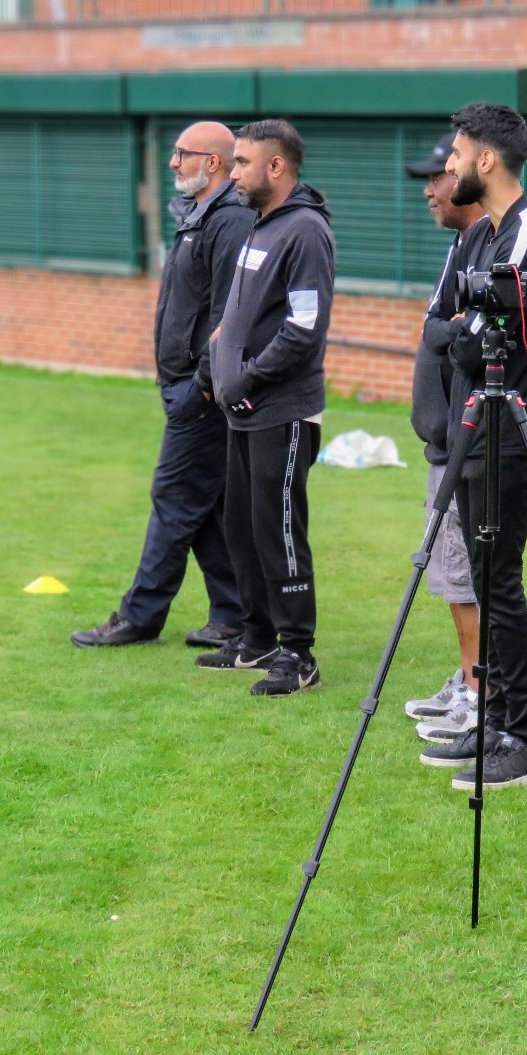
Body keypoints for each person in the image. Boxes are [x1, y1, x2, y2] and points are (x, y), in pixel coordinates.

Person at [415, 103, 527, 791]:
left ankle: (523, 737)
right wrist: (456, 330)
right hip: (474, 425)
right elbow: (446, 327)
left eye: (457, 155)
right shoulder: (486, 234)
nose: (447, 167)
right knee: (484, 579)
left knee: (500, 581)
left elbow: (473, 339)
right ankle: (494, 719)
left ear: (486, 159)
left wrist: (457, 331)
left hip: (507, 433)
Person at [71, 122, 251, 651]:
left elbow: (228, 315)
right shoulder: (202, 217)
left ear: (213, 162)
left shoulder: (231, 221)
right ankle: (233, 613)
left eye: (182, 154)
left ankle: (140, 614)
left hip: (202, 393)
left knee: (174, 496)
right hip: (186, 386)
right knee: (205, 505)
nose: (172, 163)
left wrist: (199, 386)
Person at [198, 119, 334, 698]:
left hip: (282, 409)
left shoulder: (304, 232)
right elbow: (241, 313)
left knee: (278, 531)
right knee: (243, 528)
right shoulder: (261, 227)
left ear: (275, 167)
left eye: (241, 164)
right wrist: (217, 369)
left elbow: (305, 328)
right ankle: (255, 638)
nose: (232, 175)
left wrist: (249, 377)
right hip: (242, 409)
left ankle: (297, 653)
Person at [399, 131, 485, 741]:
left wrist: (441, 330)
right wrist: (439, 329)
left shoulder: (486, 246)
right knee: (453, 573)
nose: (430, 189)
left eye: (439, 175)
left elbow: (455, 336)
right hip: (443, 442)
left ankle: (481, 692)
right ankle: (468, 676)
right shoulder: (460, 245)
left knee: (463, 572)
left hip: (468, 445)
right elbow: (436, 330)